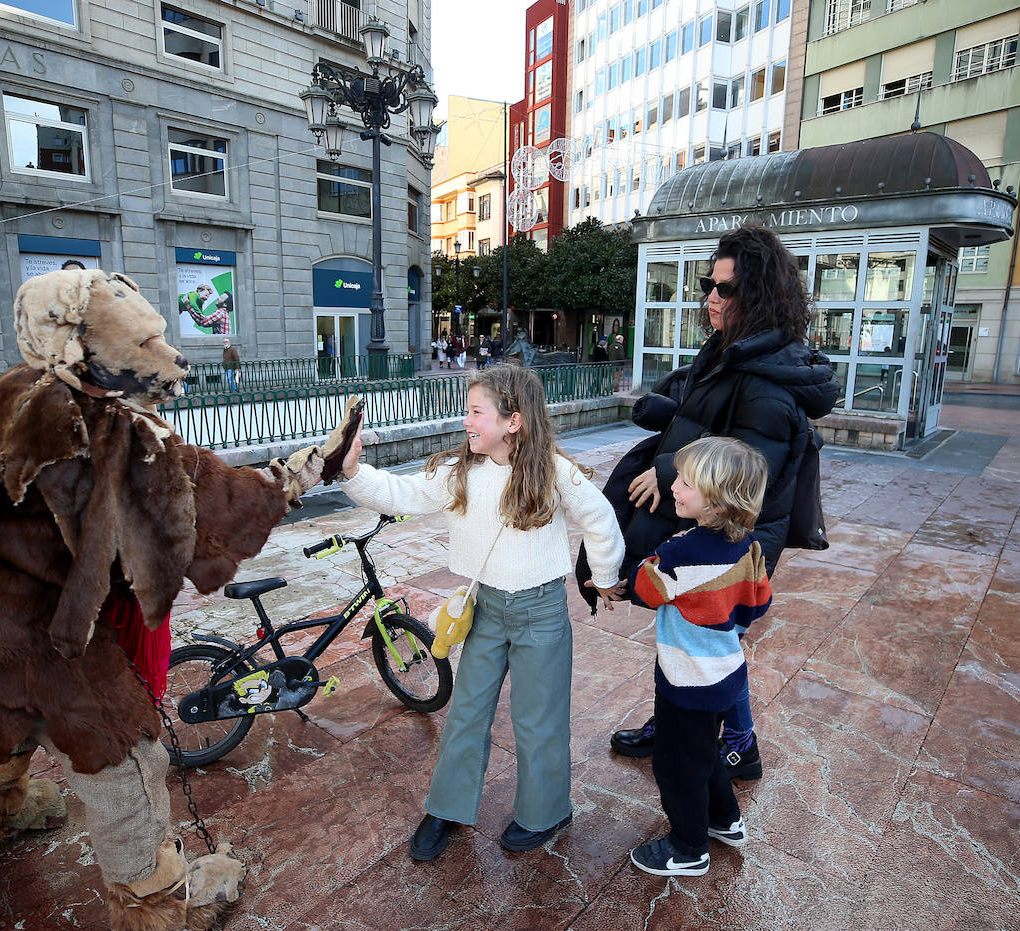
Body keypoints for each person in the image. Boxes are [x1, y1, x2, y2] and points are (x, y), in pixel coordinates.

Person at [338, 365, 626, 861]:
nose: (466, 420)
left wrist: (603, 577)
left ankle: (546, 810)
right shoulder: (461, 472)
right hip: (486, 608)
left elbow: (600, 519)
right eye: (467, 410)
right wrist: (350, 470)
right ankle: (447, 808)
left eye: (476, 412)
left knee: (539, 719)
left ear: (513, 420)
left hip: (541, 610)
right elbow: (401, 494)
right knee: (467, 711)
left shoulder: (554, 471)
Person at [606, 225, 838, 778]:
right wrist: (666, 417)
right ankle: (677, 720)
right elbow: (711, 423)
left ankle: (740, 743)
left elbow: (743, 474)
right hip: (712, 531)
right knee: (691, 638)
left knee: (714, 645)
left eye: (726, 289)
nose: (711, 296)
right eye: (709, 284)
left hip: (737, 539)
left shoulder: (766, 384)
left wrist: (668, 472)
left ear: (757, 298)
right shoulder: (731, 356)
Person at [628, 436, 771, 878]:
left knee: (675, 765)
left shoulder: (681, 552)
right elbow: (757, 603)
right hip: (725, 672)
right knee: (705, 751)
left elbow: (644, 588)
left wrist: (651, 559)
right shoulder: (748, 545)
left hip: (686, 679)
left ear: (716, 501)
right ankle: (724, 819)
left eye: (686, 482)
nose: (674, 486)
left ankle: (689, 847)